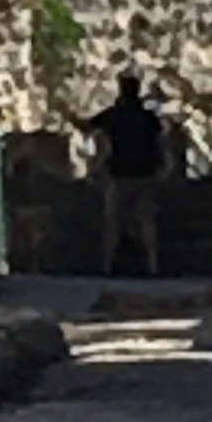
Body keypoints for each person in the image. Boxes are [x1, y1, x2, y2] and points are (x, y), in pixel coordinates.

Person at [88, 66, 170, 276]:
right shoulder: (149, 118)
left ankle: (107, 265)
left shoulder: (113, 116)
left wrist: (95, 168)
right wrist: (164, 167)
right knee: (146, 221)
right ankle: (153, 265)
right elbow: (161, 143)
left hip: (120, 174)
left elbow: (93, 131)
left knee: (113, 222)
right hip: (147, 173)